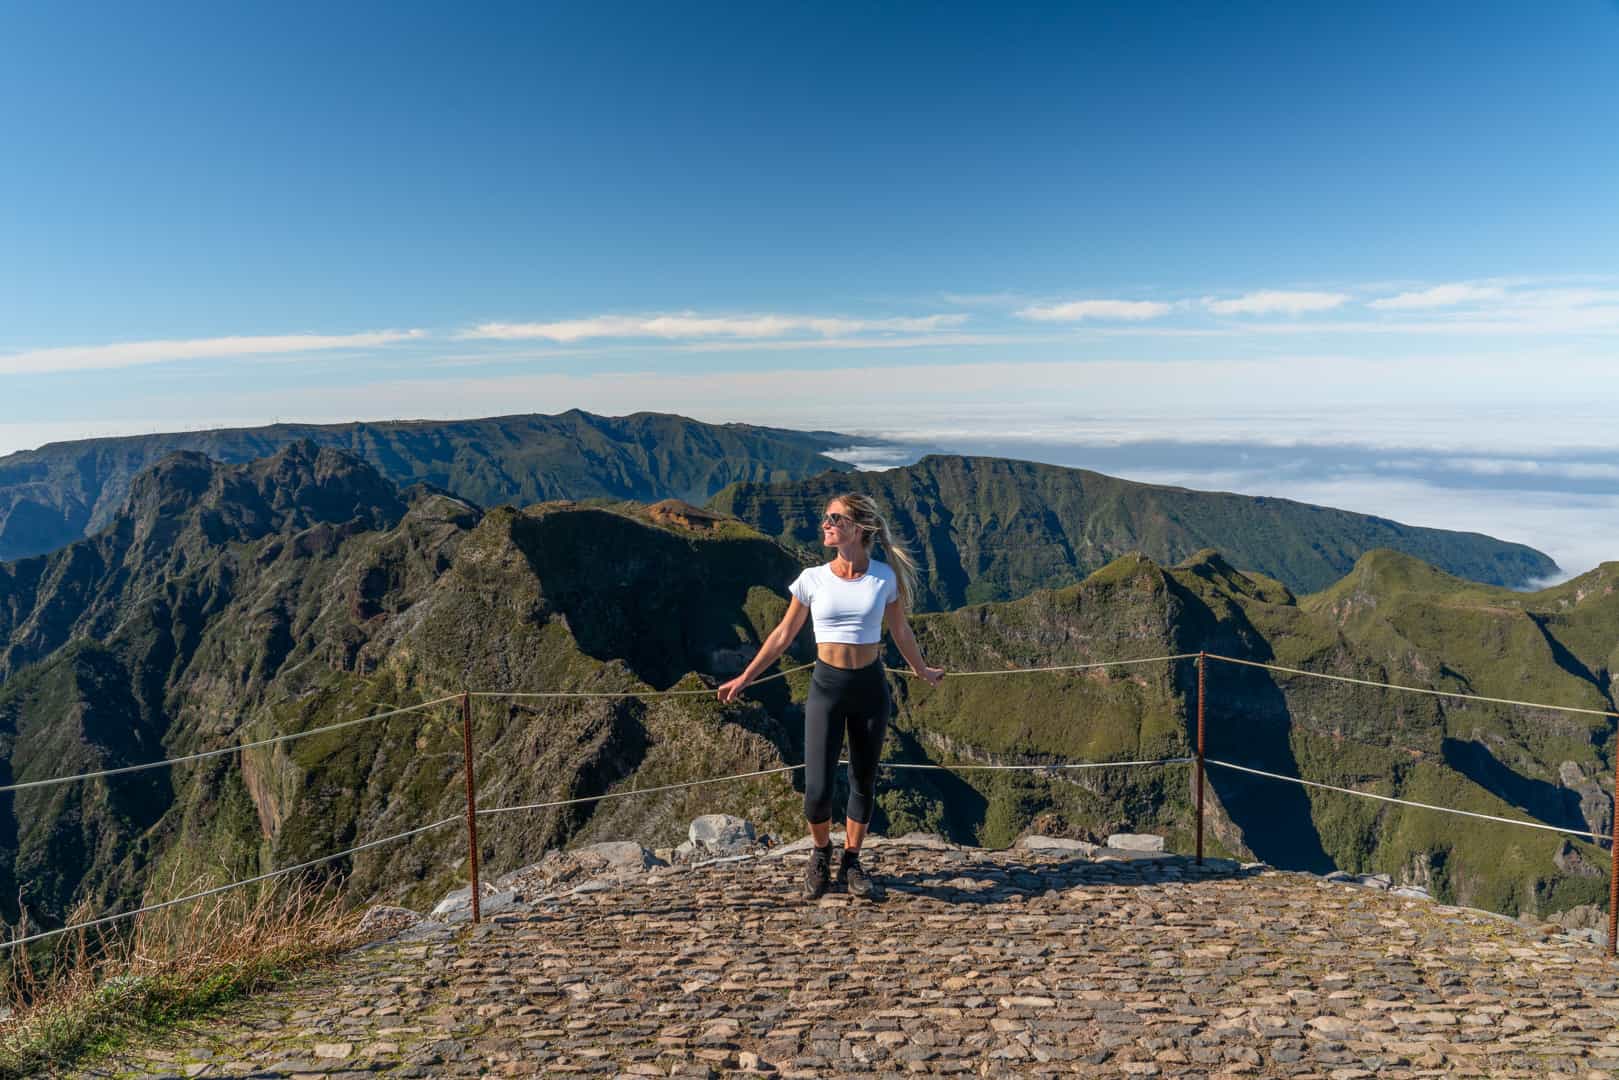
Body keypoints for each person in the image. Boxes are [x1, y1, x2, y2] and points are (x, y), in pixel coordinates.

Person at [717, 493, 945, 899]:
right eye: (826, 517)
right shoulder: (812, 579)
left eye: (835, 518)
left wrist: (921, 670)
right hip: (827, 687)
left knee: (863, 780)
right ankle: (821, 852)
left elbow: (900, 631)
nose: (826, 523)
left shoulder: (883, 578)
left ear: (857, 529)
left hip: (870, 687)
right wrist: (746, 677)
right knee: (818, 787)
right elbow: (783, 635)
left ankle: (851, 860)